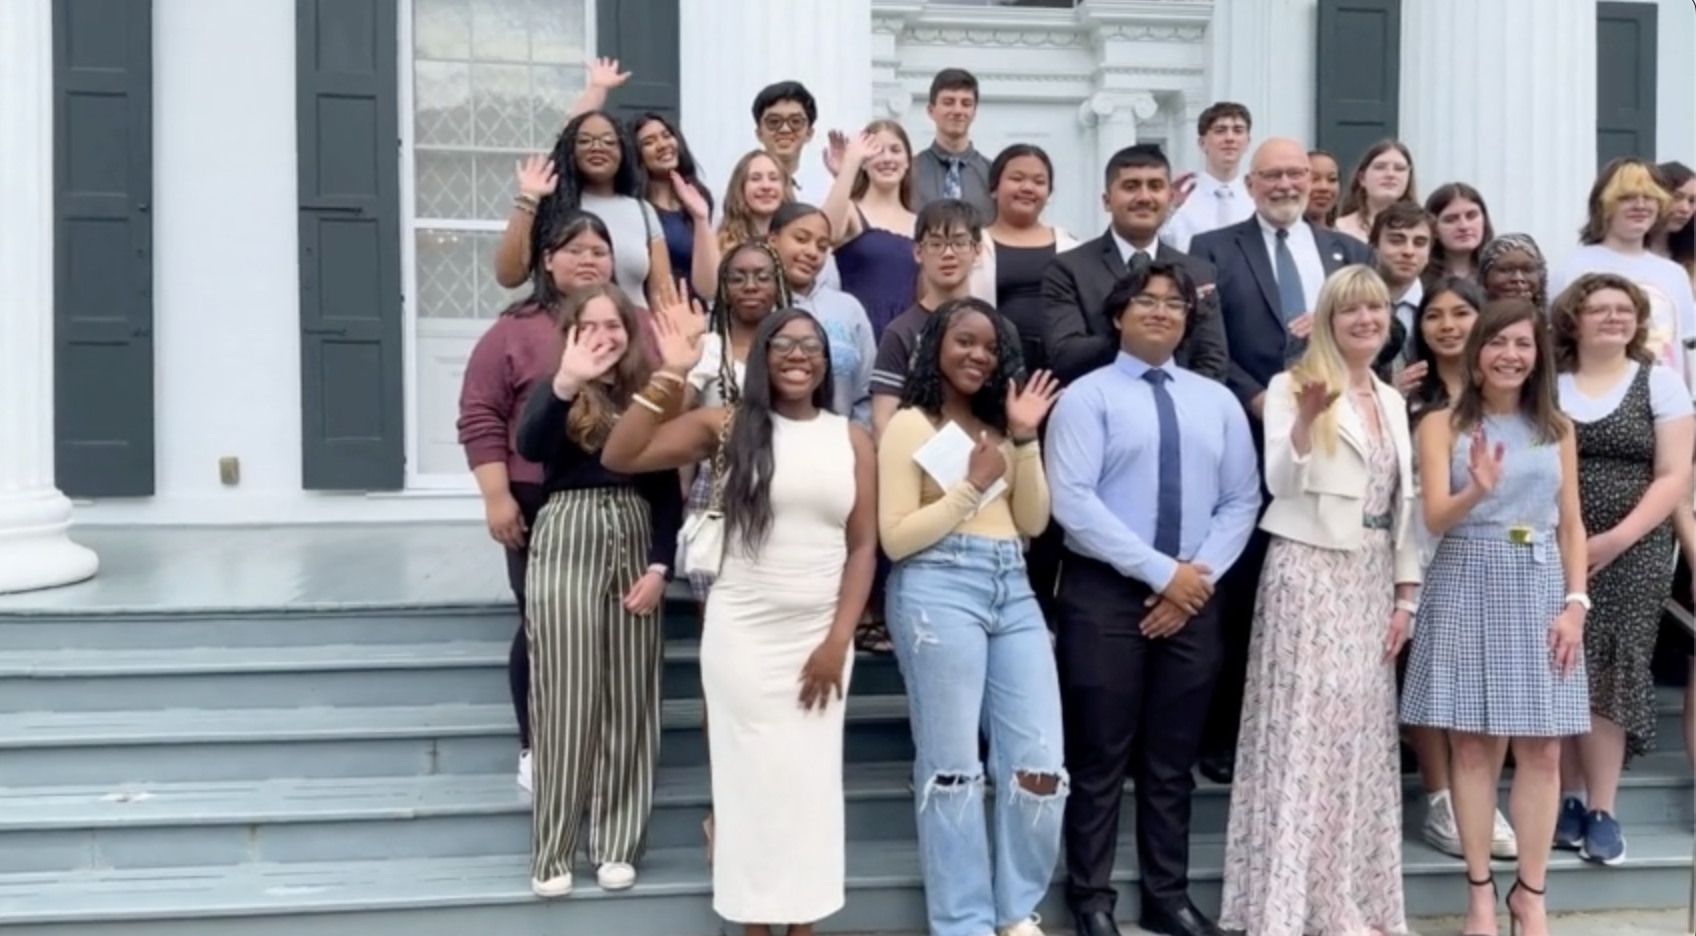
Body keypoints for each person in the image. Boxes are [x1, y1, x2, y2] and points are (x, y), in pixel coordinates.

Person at [600, 304, 878, 936]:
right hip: (743, 635)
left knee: (809, 789)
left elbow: (863, 548)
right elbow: (623, 452)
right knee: (750, 788)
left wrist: (839, 640)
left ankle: (802, 923)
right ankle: (754, 924)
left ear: (826, 360)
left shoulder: (852, 439)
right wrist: (671, 372)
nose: (798, 355)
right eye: (783, 344)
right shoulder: (725, 426)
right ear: (760, 358)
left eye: (810, 344)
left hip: (820, 638)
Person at [1046, 259, 1261, 936]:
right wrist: (1159, 574)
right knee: (1100, 755)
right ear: (1118, 315)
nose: (1162, 312)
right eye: (1146, 301)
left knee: (1171, 761)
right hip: (1105, 593)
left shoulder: (1217, 400)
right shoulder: (1087, 397)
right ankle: (1092, 901)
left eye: (1174, 304)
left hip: (1197, 591)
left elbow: (1241, 499)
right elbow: (1073, 504)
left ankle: (1167, 898)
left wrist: (1192, 579)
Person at [1217, 266, 1420, 936]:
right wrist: (1304, 423)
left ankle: (1344, 899)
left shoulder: (1391, 400)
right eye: (1350, 311)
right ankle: (1282, 906)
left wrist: (1405, 596)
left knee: (1357, 739)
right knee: (1302, 734)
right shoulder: (1291, 385)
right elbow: (1280, 478)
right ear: (1329, 320)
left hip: (1370, 577)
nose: (1365, 321)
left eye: (1375, 310)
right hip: (1307, 568)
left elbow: (1403, 506)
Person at [1187, 137, 1375, 784]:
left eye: (1297, 173)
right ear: (1252, 183)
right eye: (1273, 175)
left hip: (1336, 447)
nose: (1287, 184)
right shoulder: (1212, 250)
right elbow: (1204, 342)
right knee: (1242, 598)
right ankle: (1228, 738)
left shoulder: (1346, 251)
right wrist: (1257, 395)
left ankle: (1321, 742)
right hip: (1251, 433)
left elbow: (1386, 329)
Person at [1401, 299, 1589, 936]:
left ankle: (1530, 895)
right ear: (1476, 352)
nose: (1511, 354)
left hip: (1539, 584)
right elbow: (1431, 519)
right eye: (1498, 342)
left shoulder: (1556, 428)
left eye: (1524, 344)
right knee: (1473, 748)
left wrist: (1576, 603)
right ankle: (1481, 894)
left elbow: (1571, 524)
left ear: (1538, 356)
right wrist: (1476, 487)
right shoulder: (1441, 425)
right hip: (1464, 575)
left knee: (1542, 749)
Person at [879, 299, 1063, 936]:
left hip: (1011, 585)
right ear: (936, 345)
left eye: (989, 347)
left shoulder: (999, 427)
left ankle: (1015, 910)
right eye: (964, 341)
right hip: (937, 587)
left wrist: (1024, 438)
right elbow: (896, 538)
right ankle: (963, 922)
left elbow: (1035, 521)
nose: (977, 355)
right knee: (954, 767)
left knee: (1040, 762)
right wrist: (969, 487)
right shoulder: (910, 424)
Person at [512, 283, 684, 897]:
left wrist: (661, 567)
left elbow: (667, 491)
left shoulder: (649, 395)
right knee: (565, 693)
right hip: (567, 534)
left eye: (615, 325)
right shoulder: (553, 390)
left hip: (634, 533)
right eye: (592, 325)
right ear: (572, 331)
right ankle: (552, 849)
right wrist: (564, 382)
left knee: (631, 694)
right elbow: (529, 447)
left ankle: (616, 843)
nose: (605, 336)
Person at [457, 211, 617, 794]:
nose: (587, 258)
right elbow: (480, 416)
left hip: (614, 498)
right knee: (543, 621)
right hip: (533, 498)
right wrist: (496, 497)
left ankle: (600, 747)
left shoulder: (632, 325)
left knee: (605, 627)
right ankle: (536, 744)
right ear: (547, 261)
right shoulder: (513, 331)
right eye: (573, 248)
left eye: (599, 249)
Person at [1551, 273, 1694, 865]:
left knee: (1611, 670)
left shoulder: (1658, 382)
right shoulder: (1550, 385)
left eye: (1623, 310)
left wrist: (1614, 540)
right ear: (1574, 320)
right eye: (1599, 309)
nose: (1613, 318)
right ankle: (1567, 798)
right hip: (1554, 543)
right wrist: (1576, 543)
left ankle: (1604, 808)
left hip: (1634, 547)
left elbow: (1673, 476)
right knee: (1560, 668)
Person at [1042, 144, 1228, 385]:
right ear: (1107, 200)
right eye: (1131, 186)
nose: (1144, 197)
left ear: (1170, 198)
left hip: (1179, 410)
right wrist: (1137, 329)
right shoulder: (1068, 269)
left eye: (1155, 186)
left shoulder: (1198, 272)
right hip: (1100, 407)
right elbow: (1065, 355)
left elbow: (1212, 360)